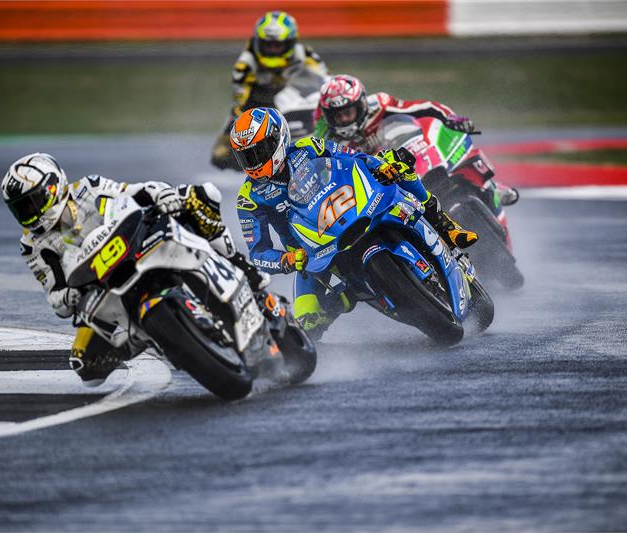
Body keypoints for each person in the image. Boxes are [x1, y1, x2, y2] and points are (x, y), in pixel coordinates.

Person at [1, 153, 268, 385]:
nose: (29, 213)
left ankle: (243, 269)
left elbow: (136, 192)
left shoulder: (87, 188)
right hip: (101, 287)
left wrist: (162, 194)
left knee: (200, 198)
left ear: (53, 187)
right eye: (20, 209)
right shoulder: (32, 245)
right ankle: (154, 337)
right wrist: (68, 296)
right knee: (85, 364)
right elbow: (55, 296)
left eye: (32, 202)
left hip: (137, 244)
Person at [230, 107, 477, 339]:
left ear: (277, 139)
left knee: (398, 165)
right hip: (312, 252)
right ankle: (348, 305)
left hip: (353, 207)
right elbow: (258, 253)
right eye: (246, 156)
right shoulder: (248, 198)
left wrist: (380, 166)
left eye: (258, 151)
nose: (253, 162)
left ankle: (444, 225)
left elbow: (355, 158)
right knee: (308, 324)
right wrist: (286, 259)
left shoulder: (310, 147)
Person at [313, 74, 519, 207]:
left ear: (361, 105)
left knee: (435, 130)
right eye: (338, 115)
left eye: (348, 112)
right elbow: (325, 174)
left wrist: (450, 119)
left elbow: (421, 107)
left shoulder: (379, 104)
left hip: (404, 155)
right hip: (378, 182)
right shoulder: (327, 139)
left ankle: (490, 186)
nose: (344, 119)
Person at [210, 10, 328, 169]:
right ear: (258, 42)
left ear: (291, 43)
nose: (273, 50)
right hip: (259, 103)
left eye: (278, 45)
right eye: (268, 45)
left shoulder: (305, 54)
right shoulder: (244, 65)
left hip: (295, 97)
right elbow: (239, 103)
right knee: (221, 154)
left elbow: (325, 80)